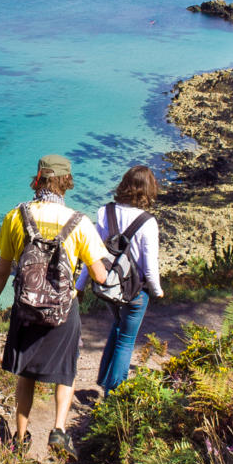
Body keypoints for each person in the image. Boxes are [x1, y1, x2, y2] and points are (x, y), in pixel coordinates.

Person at [0, 154, 108, 461]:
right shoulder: (79, 222)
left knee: (26, 374)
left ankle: (21, 437)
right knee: (66, 372)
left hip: (25, 308)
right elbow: (100, 275)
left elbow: (2, 271)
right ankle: (59, 430)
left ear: (38, 179)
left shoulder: (16, 215)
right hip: (64, 311)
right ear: (66, 182)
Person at [80, 165, 164, 397]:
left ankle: (104, 378)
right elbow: (149, 264)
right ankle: (113, 394)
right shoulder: (148, 222)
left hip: (110, 286)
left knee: (117, 327)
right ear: (148, 190)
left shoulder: (104, 212)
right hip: (136, 290)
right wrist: (157, 291)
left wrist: (79, 286)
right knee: (126, 340)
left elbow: (92, 254)